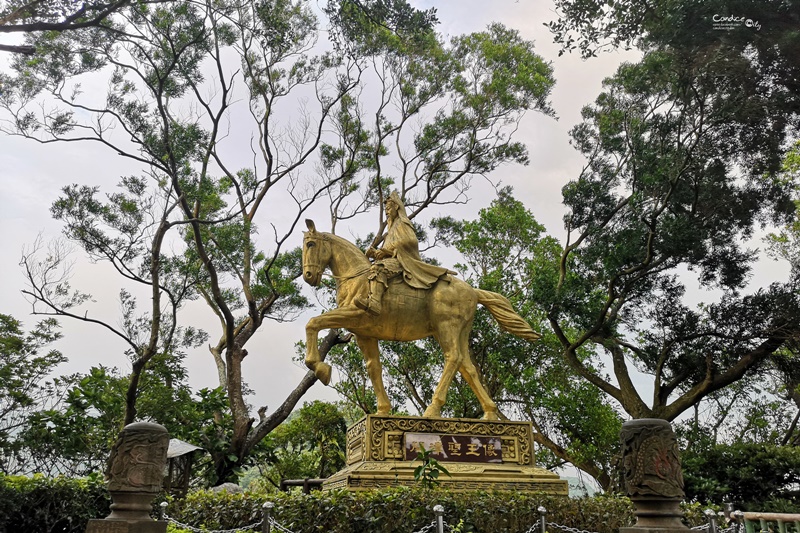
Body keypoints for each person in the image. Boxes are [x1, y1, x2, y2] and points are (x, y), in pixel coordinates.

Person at [354, 191, 454, 316]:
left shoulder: (402, 223)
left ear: (396, 207)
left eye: (389, 208)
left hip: (402, 262)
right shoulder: (390, 229)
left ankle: (374, 302)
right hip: (391, 260)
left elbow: (410, 241)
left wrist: (387, 251)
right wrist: (375, 253)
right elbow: (386, 250)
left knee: (378, 268)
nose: (387, 212)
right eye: (385, 210)